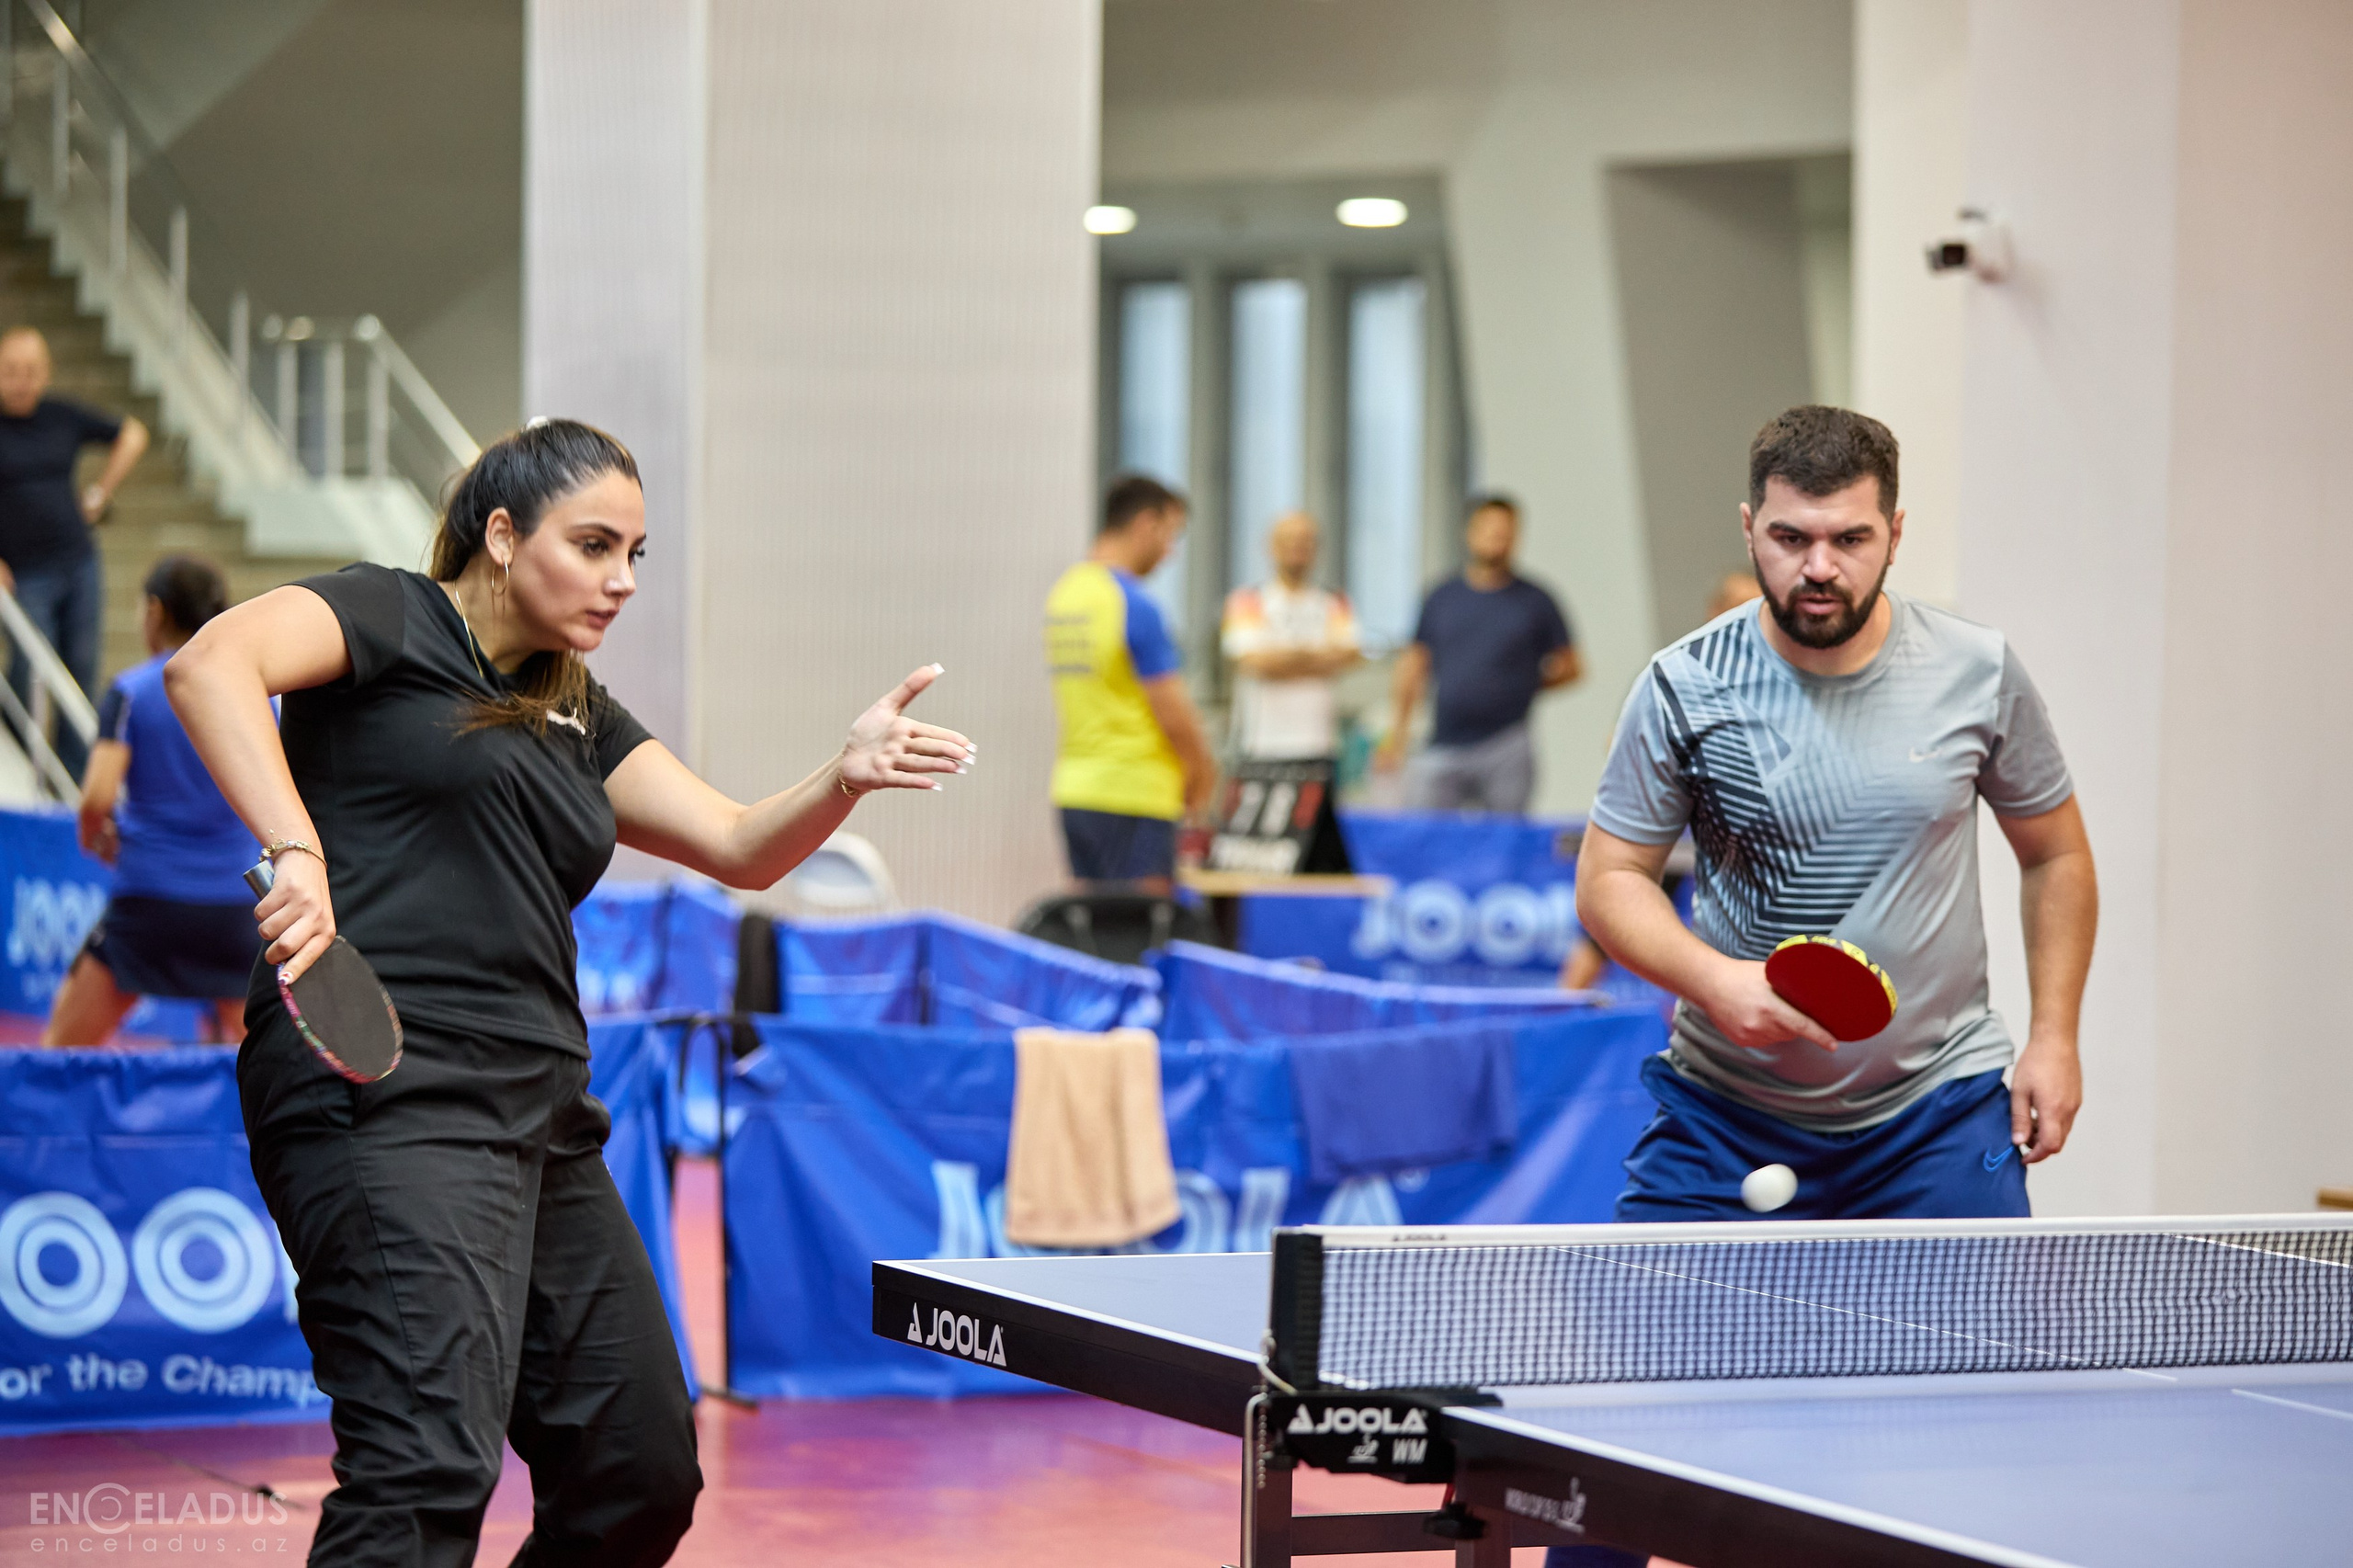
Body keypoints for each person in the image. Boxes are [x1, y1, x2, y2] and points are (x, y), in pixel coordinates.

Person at [165, 419, 974, 1566]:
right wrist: (296, 848)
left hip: (542, 1113)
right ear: (502, 534)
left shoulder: (576, 708)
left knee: (636, 1468)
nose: (622, 578)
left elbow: (738, 843)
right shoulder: (391, 613)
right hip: (383, 1094)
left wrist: (839, 777)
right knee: (424, 1462)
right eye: (594, 545)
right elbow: (210, 664)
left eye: (634, 553)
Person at [1556, 406, 2097, 1568]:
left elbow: (2054, 852)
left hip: (1936, 1115)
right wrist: (1717, 980)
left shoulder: (1977, 671)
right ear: (1748, 527)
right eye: (1791, 536)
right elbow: (1609, 880)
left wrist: (2054, 1035)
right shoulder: (1684, 684)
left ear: (1894, 531)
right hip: (1724, 1112)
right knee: (1609, 1449)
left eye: (1848, 538)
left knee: (1964, 1451)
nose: (1819, 566)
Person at [43, 556, 258, 1045]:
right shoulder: (259, 695)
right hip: (235, 909)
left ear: (156, 612)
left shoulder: (132, 690)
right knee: (264, 1070)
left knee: (59, 1053)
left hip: (148, 906)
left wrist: (94, 839)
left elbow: (97, 798)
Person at [1044, 473, 1215, 889]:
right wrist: (1202, 774)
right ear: (1146, 524)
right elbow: (1172, 713)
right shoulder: (1134, 605)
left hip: (1075, 790)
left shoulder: (1065, 594)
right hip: (1135, 792)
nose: (1170, 552)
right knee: (1144, 923)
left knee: (1091, 923)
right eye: (1170, 535)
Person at [0, 325, 149, 780]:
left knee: (81, 670)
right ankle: (21, 767)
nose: (22, 381)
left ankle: (74, 775)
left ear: (45, 373)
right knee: (28, 670)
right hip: (24, 573)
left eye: (31, 371)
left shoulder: (60, 415)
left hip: (77, 561)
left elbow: (132, 433)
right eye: (11, 371)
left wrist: (100, 493)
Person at [1373, 494, 1579, 812]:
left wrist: (1524, 684)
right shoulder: (1442, 597)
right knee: (1427, 829)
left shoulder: (1536, 601)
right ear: (1470, 533)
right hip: (1444, 741)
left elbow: (1570, 665)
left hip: (1507, 743)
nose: (1497, 540)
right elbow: (1413, 666)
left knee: (1505, 834)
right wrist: (1395, 736)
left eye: (1505, 533)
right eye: (1490, 531)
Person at [1220, 510, 1360, 761]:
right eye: (1288, 540)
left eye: (1305, 541)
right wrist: (1317, 658)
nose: (1297, 548)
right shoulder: (1247, 600)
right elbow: (1254, 661)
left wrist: (1283, 658)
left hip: (1319, 743)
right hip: (1261, 745)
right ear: (1272, 546)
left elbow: (1350, 655)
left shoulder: (1335, 601)